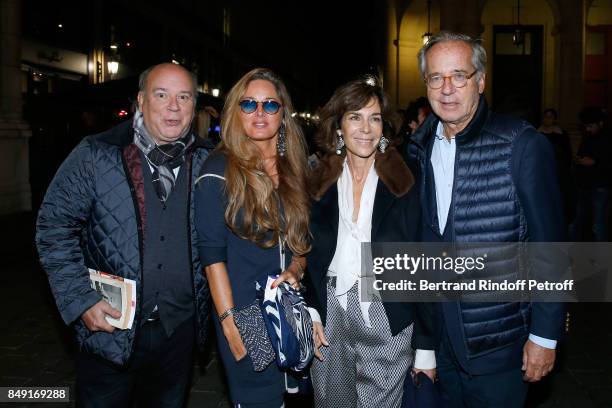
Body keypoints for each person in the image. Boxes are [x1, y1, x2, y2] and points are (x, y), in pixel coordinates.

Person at [36, 63, 212, 408]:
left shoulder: (209, 161)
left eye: (184, 97)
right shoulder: (96, 153)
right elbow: (53, 227)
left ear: (194, 106)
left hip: (179, 333)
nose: (173, 106)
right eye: (162, 95)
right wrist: (81, 300)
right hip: (109, 331)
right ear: (141, 101)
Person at [408, 32, 566, 407]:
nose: (447, 88)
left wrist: (545, 336)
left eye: (459, 75)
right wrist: (425, 344)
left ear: (480, 80)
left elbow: (553, 249)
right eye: (436, 78)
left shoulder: (521, 145)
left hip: (499, 345)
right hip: (442, 344)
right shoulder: (417, 150)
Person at [304, 77, 436, 408]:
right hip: (330, 311)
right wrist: (312, 310)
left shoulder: (406, 180)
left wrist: (425, 343)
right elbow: (303, 251)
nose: (366, 128)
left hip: (386, 309)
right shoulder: (317, 180)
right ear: (338, 127)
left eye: (374, 118)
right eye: (355, 117)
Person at [194, 68, 310, 407]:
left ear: (283, 114)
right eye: (249, 104)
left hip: (291, 309)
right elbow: (212, 258)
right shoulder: (218, 170)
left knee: (295, 397)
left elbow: (302, 242)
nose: (260, 113)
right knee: (259, 399)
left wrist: (297, 269)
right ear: (236, 111)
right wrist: (230, 323)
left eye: (270, 105)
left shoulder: (295, 168)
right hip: (245, 313)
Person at [571, 107, 611, 242]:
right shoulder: (588, 137)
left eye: (590, 126)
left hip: (600, 186)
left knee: (598, 224)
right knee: (580, 221)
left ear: (601, 123)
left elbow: (606, 163)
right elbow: (583, 155)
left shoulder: (607, 138)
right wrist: (579, 160)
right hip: (584, 185)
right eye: (586, 126)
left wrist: (595, 162)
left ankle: (601, 259)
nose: (587, 129)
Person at [538, 108, 575, 226]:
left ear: (555, 119)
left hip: (559, 172)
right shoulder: (537, 133)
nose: (547, 119)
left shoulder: (561, 134)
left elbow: (567, 154)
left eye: (550, 116)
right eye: (546, 116)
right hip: (542, 173)